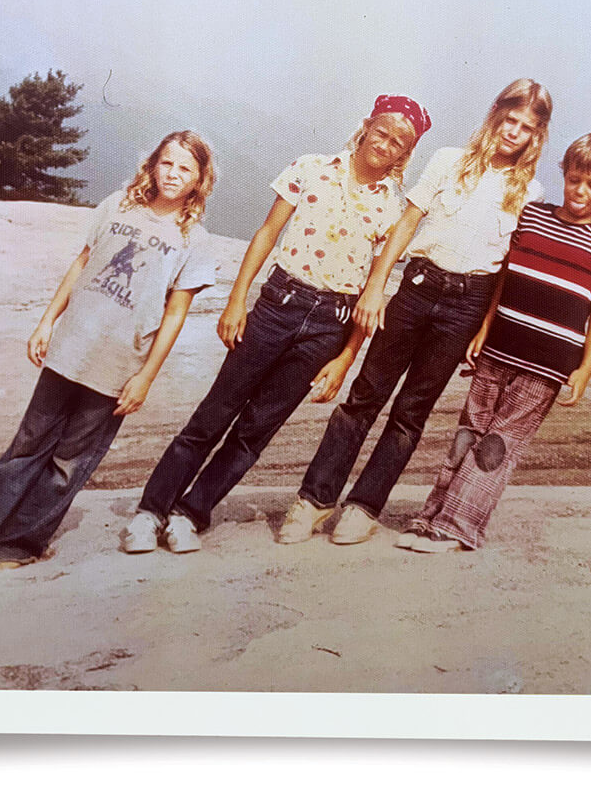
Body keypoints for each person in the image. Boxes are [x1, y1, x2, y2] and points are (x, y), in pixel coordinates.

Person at [122, 95, 431, 554]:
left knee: (255, 430)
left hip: (329, 327)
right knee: (213, 414)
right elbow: (267, 232)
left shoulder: (393, 208)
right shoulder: (311, 168)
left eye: (397, 143)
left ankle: (190, 514)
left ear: (406, 153)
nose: (384, 145)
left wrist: (345, 357)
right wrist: (237, 300)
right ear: (366, 126)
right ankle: (150, 513)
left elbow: (373, 288)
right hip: (275, 307)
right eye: (381, 132)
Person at [279, 78, 553, 546]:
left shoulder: (530, 191)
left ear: (536, 135)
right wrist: (375, 288)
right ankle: (314, 499)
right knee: (365, 395)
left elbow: (507, 268)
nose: (514, 132)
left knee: (411, 411)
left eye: (526, 127)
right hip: (417, 289)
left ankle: (364, 507)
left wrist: (485, 325)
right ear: (495, 116)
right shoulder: (449, 161)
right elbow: (406, 224)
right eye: (509, 120)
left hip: (468, 304)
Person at [0, 131, 218, 568]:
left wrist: (145, 377)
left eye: (185, 168)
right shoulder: (119, 204)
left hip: (118, 365)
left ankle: (17, 544)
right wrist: (47, 322)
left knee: (69, 461)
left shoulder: (195, 241)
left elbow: (175, 314)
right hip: (71, 346)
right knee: (25, 447)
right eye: (166, 163)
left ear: (200, 179)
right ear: (152, 164)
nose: (173, 174)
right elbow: (82, 263)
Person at [399, 132, 591, 553]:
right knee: (469, 433)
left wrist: (585, 370)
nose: (580, 191)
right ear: (564, 174)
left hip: (548, 364)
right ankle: (432, 516)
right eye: (574, 180)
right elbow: (503, 276)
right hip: (498, 348)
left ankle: (457, 527)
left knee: (497, 443)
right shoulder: (532, 216)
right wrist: (485, 327)